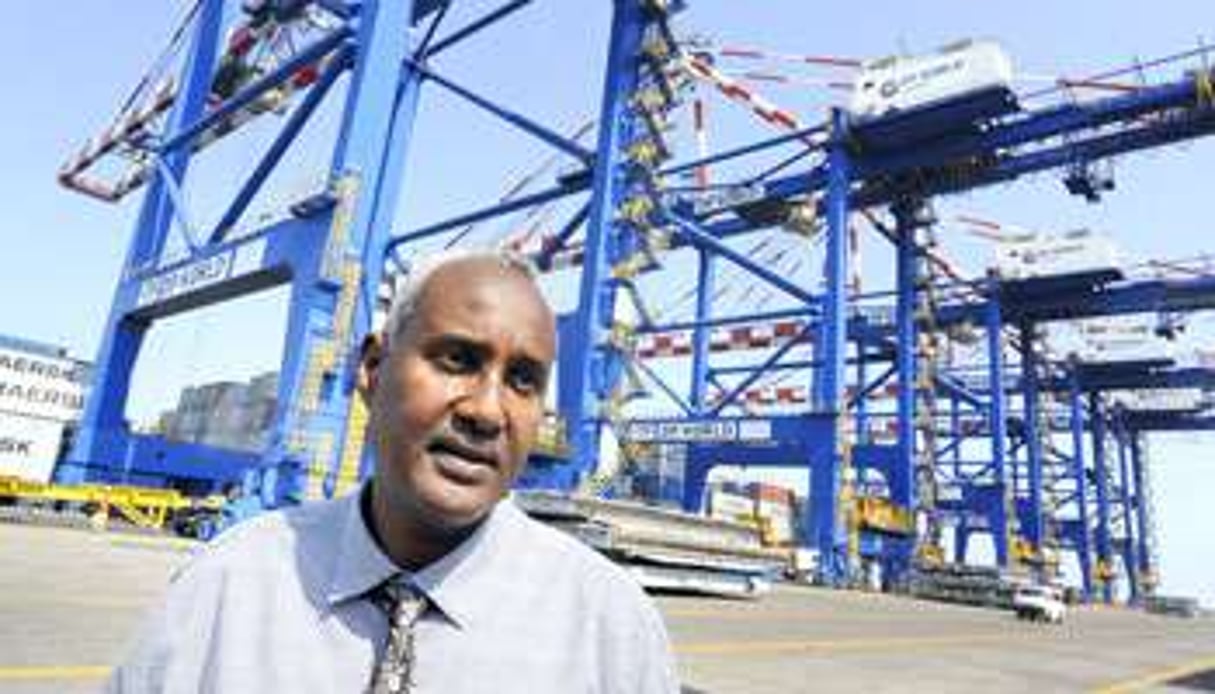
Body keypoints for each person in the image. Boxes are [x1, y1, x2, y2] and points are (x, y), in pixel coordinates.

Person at [107, 250, 680, 693]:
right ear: (374, 369)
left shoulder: (610, 629)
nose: (486, 410)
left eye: (522, 381)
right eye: (458, 360)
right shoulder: (226, 587)